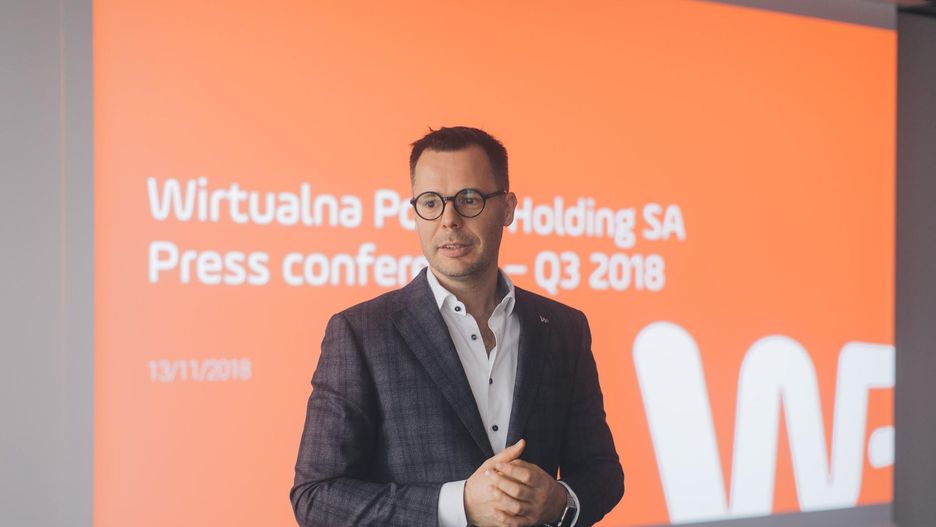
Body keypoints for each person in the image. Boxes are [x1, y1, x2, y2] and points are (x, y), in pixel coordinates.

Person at [291, 126, 623, 527]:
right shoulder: (360, 333)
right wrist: (457, 504)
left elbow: (601, 472)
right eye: (431, 202)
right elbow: (316, 498)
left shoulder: (563, 329)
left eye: (469, 199)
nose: (449, 220)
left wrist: (559, 500)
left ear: (508, 208)